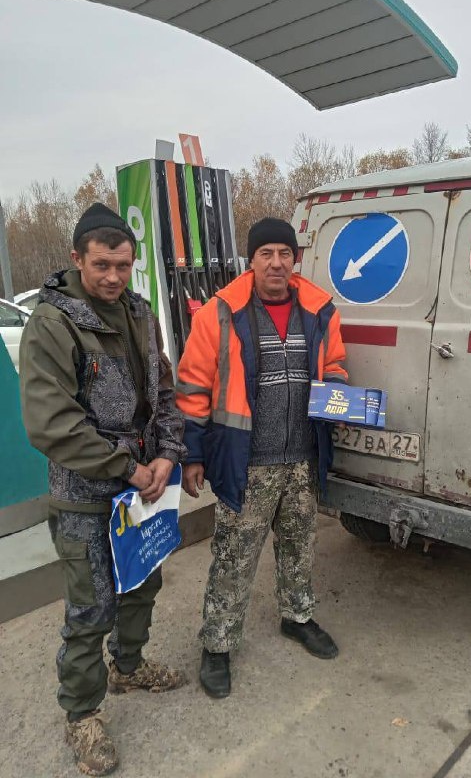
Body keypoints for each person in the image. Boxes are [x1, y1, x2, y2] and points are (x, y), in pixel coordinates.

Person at [19, 203, 187, 777]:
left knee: (141, 582)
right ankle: (82, 713)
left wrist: (166, 454)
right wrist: (127, 468)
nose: (113, 276)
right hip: (85, 493)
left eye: (122, 265)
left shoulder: (139, 313)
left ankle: (129, 667)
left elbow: (165, 391)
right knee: (91, 607)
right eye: (101, 265)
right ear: (76, 259)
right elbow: (53, 424)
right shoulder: (53, 323)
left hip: (144, 488)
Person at [176, 217, 347, 699]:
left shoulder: (319, 310)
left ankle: (297, 617)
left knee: (299, 545)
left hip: (302, 458)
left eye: (284, 253)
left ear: (296, 259)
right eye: (266, 253)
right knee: (234, 557)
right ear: (250, 261)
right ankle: (217, 643)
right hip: (247, 461)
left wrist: (339, 394)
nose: (276, 263)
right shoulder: (220, 313)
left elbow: (334, 364)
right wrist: (192, 454)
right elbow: (192, 387)